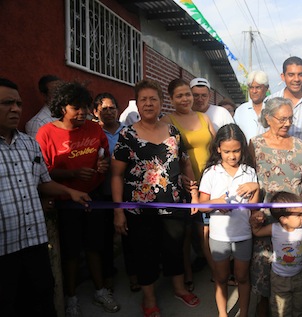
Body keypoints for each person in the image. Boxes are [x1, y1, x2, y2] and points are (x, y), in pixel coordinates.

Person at [0, 78, 91, 317]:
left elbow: (44, 182)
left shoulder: (29, 144)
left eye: (18, 103)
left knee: (43, 297)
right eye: (7, 103)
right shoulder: (42, 131)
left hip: (34, 242)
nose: (15, 109)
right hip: (3, 248)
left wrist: (71, 192)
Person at [111, 79, 198, 317]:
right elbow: (117, 175)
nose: (149, 104)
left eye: (153, 99)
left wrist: (194, 195)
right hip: (139, 209)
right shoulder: (127, 135)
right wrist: (118, 210)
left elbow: (185, 163)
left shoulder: (172, 131)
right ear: (137, 104)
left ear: (161, 103)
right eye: (143, 99)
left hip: (173, 204)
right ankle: (149, 299)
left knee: (174, 249)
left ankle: (179, 288)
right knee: (145, 252)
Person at [35, 82, 118, 317]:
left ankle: (100, 291)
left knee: (95, 247)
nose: (82, 112)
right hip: (65, 202)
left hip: (94, 198)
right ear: (62, 107)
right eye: (75, 107)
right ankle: (70, 297)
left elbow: (105, 155)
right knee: (70, 252)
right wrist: (71, 174)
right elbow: (43, 172)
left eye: (84, 107)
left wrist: (103, 164)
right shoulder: (46, 133)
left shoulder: (94, 128)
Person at [249, 97, 302, 317]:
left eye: (290, 118)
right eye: (282, 118)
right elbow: (251, 178)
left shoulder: (299, 145)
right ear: (268, 118)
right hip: (267, 221)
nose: (287, 123)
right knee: (264, 276)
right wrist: (254, 211)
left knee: (293, 274)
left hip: (293, 221)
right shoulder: (256, 144)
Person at [191, 123, 259, 317]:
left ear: (242, 149)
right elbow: (202, 206)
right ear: (218, 148)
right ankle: (223, 314)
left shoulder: (249, 172)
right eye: (227, 151)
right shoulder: (211, 173)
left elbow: (253, 208)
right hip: (218, 236)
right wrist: (216, 202)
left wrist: (255, 188)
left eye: (236, 150)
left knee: (242, 277)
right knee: (220, 278)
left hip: (243, 234)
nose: (232, 156)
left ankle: (243, 313)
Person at [161, 78, 215, 292]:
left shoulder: (203, 118)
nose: (185, 99)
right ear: (172, 98)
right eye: (180, 95)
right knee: (183, 234)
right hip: (183, 183)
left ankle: (216, 272)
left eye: (187, 95)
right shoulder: (167, 120)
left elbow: (216, 146)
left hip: (208, 182)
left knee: (206, 232)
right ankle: (187, 274)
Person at [251, 191, 302, 317]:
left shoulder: (300, 228)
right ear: (284, 219)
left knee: (298, 308)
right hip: (280, 279)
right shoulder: (274, 229)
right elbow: (258, 232)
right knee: (281, 311)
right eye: (299, 215)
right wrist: (255, 222)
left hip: (299, 276)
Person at [92, 93, 128, 292]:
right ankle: (108, 276)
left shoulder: (129, 132)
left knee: (130, 236)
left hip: (128, 191)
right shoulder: (93, 134)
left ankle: (134, 274)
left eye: (112, 107)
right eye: (103, 109)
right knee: (105, 237)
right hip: (103, 192)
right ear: (96, 112)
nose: (108, 112)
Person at [234, 70, 269, 143]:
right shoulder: (240, 111)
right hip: (246, 153)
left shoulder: (273, 108)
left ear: (266, 88)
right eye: (251, 87)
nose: (254, 91)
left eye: (258, 87)